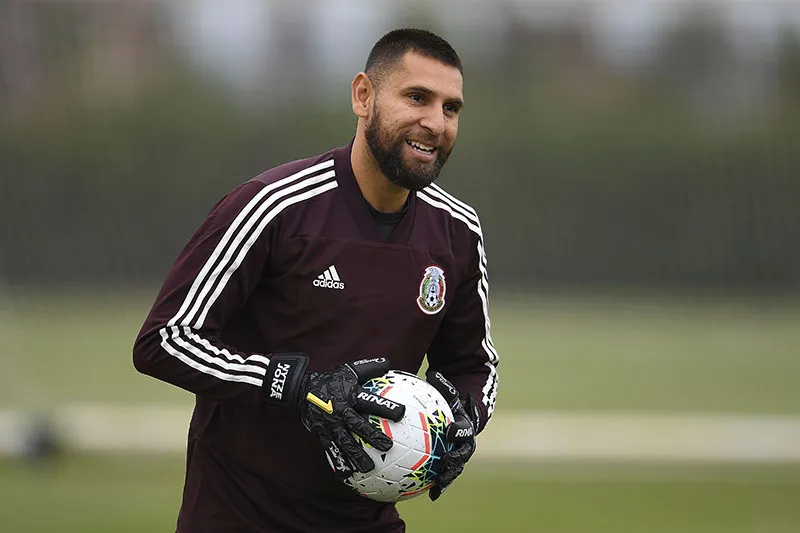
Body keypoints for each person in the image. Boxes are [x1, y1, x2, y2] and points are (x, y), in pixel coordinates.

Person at [133, 28, 499, 533]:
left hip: (365, 520)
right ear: (363, 96)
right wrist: (298, 386)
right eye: (417, 97)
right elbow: (164, 341)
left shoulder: (457, 232)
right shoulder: (274, 205)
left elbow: (473, 366)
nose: (434, 122)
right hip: (239, 516)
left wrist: (460, 423)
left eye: (451, 108)